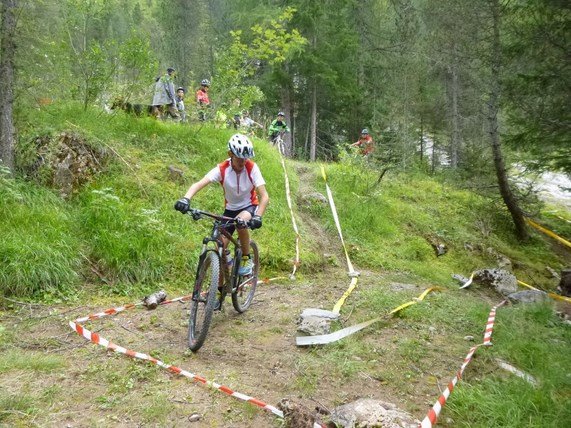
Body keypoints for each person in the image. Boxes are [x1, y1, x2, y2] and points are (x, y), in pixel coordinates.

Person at [174, 134, 269, 276]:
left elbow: (264, 196)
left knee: (240, 222)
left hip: (248, 206)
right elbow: (199, 183)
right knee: (219, 248)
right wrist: (186, 199)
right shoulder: (222, 169)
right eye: (239, 157)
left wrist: (258, 216)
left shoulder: (252, 168)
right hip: (230, 209)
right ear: (230, 154)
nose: (243, 161)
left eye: (245, 158)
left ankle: (246, 257)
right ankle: (219, 291)